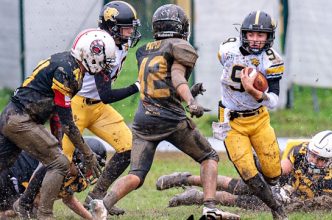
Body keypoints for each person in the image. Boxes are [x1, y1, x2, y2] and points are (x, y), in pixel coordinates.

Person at [90, 4, 239, 220]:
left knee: (137, 174)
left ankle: (103, 204)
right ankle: (209, 207)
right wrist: (190, 101)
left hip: (143, 119)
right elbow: (177, 77)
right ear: (181, 27)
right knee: (209, 156)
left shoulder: (144, 50)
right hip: (169, 118)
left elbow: (160, 85)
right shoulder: (180, 46)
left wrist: (188, 92)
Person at [15, 1, 142, 217]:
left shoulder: (122, 43)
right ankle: (25, 202)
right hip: (78, 105)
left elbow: (103, 96)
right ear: (111, 28)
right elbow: (107, 94)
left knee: (129, 148)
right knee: (58, 159)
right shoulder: (99, 44)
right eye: (125, 28)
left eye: (131, 27)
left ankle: (97, 198)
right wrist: (138, 87)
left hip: (98, 107)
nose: (130, 33)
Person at [0, 28, 116, 219]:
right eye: (104, 60)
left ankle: (23, 205)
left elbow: (56, 112)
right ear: (92, 53)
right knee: (59, 162)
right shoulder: (68, 70)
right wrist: (87, 153)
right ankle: (44, 213)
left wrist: (59, 141)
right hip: (21, 119)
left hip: (13, 117)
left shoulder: (70, 65)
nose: (105, 65)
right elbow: (68, 121)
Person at [207, 10, 287, 219]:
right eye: (251, 34)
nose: (255, 39)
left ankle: (267, 177)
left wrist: (256, 93)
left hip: (259, 118)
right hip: (231, 118)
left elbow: (275, 100)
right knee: (247, 172)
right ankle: (276, 207)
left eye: (260, 35)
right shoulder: (227, 50)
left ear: (269, 37)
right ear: (243, 34)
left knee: (273, 171)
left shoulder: (272, 60)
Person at [157, 131, 332, 212]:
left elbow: (321, 203)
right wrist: (276, 186)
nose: (313, 160)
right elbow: (279, 171)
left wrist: (292, 199)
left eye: (321, 159)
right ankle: (186, 178)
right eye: (313, 155)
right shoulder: (301, 149)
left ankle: (196, 197)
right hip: (281, 185)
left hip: (293, 199)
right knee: (240, 186)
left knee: (244, 202)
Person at [1, 138, 107, 219]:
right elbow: (38, 199)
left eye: (97, 166)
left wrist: (90, 218)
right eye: (91, 165)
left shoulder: (74, 174)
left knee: (13, 212)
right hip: (10, 174)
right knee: (24, 210)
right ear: (79, 158)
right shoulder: (60, 165)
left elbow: (68, 199)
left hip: (21, 185)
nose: (93, 170)